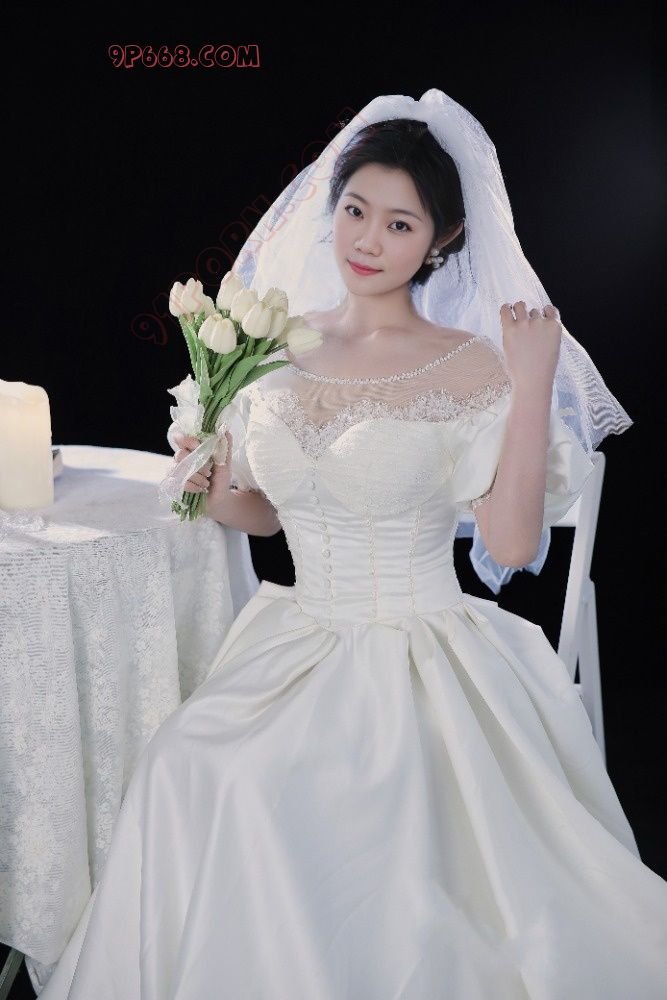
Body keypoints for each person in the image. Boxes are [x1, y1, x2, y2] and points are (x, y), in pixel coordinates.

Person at [39, 90, 667, 999]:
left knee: (323, 797)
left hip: (421, 651)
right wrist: (206, 478)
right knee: (189, 763)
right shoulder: (271, 349)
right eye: (355, 211)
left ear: (442, 240)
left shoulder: (470, 364)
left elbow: (509, 543)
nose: (367, 241)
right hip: (295, 639)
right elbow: (263, 515)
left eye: (399, 224)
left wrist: (530, 384)